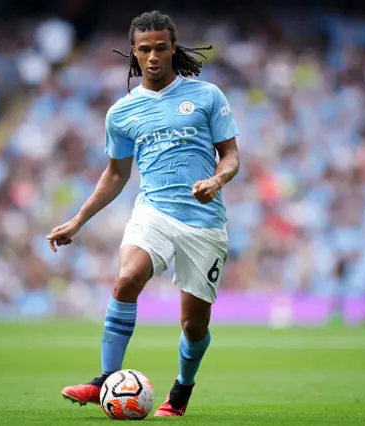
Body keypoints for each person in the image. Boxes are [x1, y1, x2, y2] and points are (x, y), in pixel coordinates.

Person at [46, 10, 240, 417]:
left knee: (194, 326)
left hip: (204, 223)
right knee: (128, 277)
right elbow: (115, 176)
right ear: (133, 54)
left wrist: (217, 181)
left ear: (173, 49)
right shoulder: (121, 113)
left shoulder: (206, 96)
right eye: (144, 50)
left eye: (160, 48)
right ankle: (104, 380)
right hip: (152, 211)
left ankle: (182, 388)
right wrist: (78, 220)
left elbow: (232, 157)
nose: (153, 57)